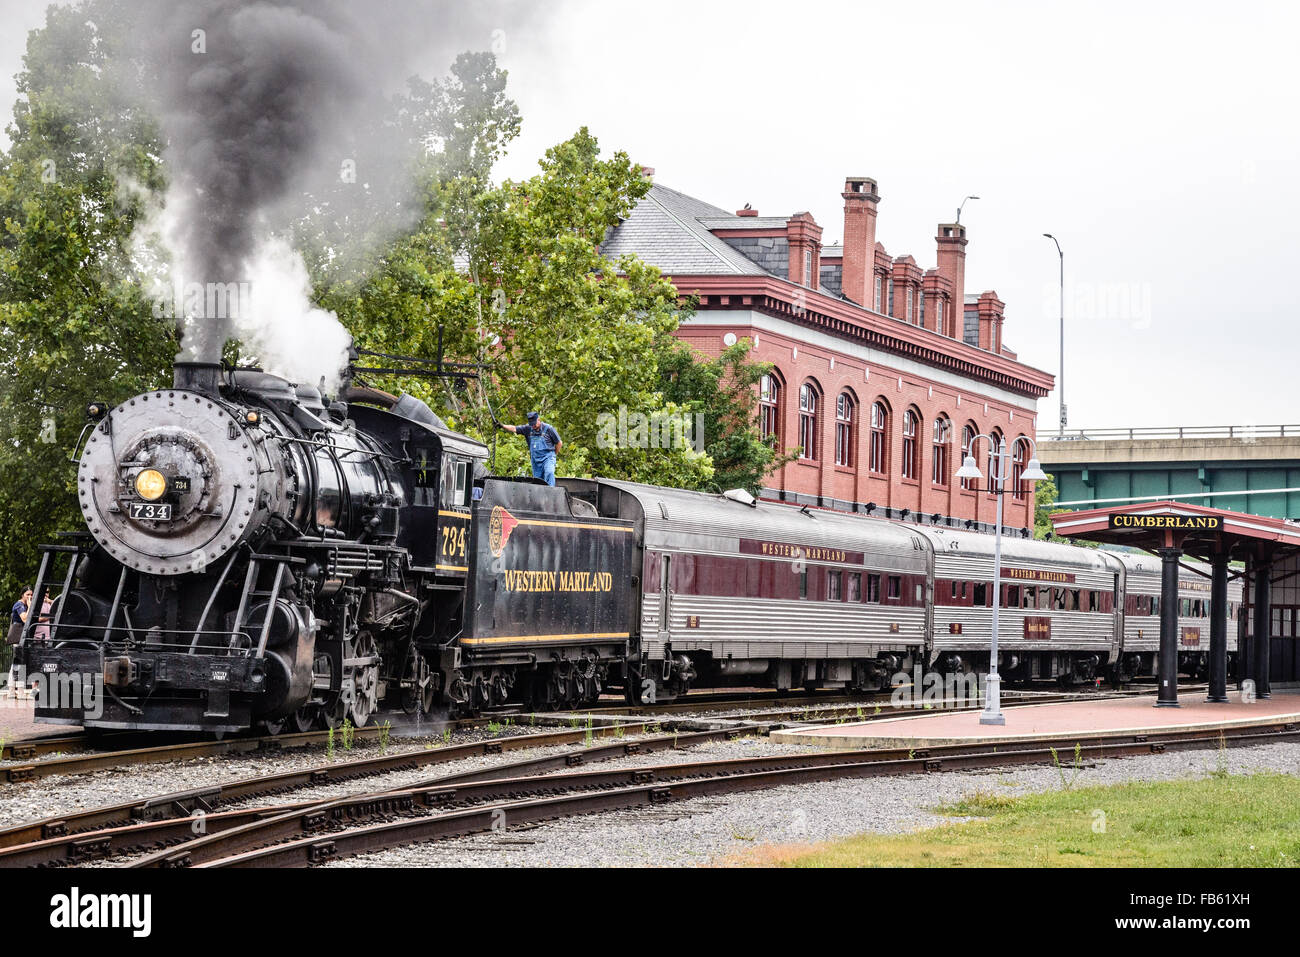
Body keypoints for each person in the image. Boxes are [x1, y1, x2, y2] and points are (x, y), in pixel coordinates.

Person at [498, 411, 562, 486]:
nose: (533, 426)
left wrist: (554, 454)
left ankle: (551, 493)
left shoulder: (549, 429)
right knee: (538, 481)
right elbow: (514, 428)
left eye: (534, 424)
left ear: (539, 420)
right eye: (531, 424)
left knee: (549, 473)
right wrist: (502, 425)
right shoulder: (528, 429)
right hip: (536, 460)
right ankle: (540, 496)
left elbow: (559, 443)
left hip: (548, 457)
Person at [6, 588, 31, 697]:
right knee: (19, 663)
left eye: (31, 594)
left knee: (18, 663)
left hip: (24, 636)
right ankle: (18, 690)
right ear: (22, 595)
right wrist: (30, 606)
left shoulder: (26, 605)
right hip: (18, 636)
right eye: (27, 594)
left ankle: (12, 690)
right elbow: (25, 618)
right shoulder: (19, 605)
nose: (29, 596)